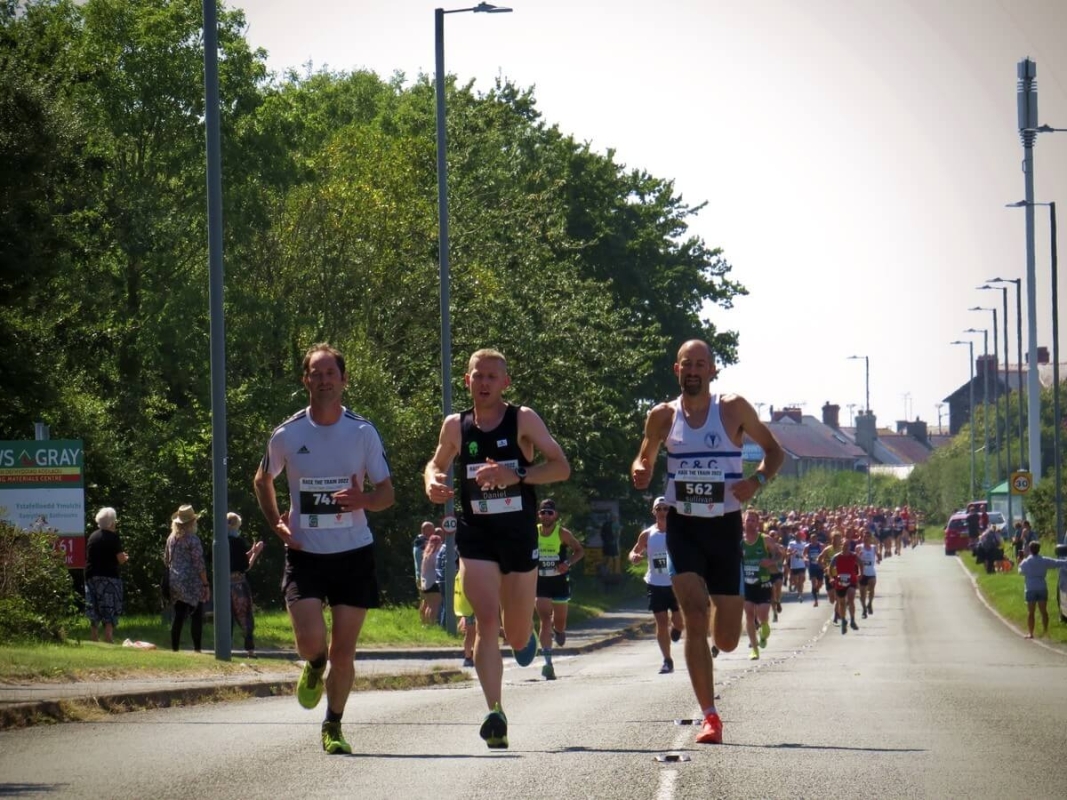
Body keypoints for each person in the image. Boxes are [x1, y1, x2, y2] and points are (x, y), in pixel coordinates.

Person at [631, 339, 784, 745]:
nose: (694, 370)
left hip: (723, 526)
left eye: (701, 364)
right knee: (694, 617)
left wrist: (757, 480)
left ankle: (724, 607)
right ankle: (710, 716)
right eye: (687, 364)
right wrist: (641, 469)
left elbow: (774, 452)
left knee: (729, 639)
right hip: (683, 525)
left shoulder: (732, 408)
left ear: (713, 371)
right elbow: (642, 457)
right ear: (676, 370)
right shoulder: (662, 416)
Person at [424, 347, 570, 749]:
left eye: (492, 376)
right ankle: (496, 712)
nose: (484, 382)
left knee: (516, 630)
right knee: (486, 621)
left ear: (505, 382)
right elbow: (435, 464)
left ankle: (526, 642)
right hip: (477, 538)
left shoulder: (522, 419)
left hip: (519, 537)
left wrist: (516, 474)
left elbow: (561, 465)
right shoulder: (456, 426)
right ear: (467, 380)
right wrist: (432, 482)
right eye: (477, 375)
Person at [253, 343, 395, 755]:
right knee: (311, 643)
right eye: (316, 373)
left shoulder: (363, 432)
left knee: (344, 652)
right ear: (306, 381)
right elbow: (262, 480)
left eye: (331, 373)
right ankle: (314, 666)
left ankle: (333, 724)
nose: (324, 380)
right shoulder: (288, 433)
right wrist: (276, 521)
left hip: (354, 553)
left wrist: (363, 500)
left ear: (344, 380)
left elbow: (387, 493)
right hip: (305, 552)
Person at [629, 496, 685, 674]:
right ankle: (667, 660)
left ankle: (677, 629)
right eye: (659, 509)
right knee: (661, 622)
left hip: (675, 583)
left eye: (666, 509)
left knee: (679, 622)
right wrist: (634, 558)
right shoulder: (647, 534)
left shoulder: (679, 532)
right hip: (655, 583)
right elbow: (634, 551)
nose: (662, 512)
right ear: (654, 512)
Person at [533, 498, 584, 680]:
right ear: (538, 515)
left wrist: (567, 563)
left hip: (559, 582)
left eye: (549, 512)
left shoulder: (562, 533)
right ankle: (548, 664)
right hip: (540, 583)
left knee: (559, 623)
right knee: (545, 620)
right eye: (543, 512)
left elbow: (579, 550)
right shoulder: (533, 533)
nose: (546, 515)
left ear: (555, 515)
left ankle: (560, 631)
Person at [164, 504, 210, 653]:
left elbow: (166, 559)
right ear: (192, 522)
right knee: (197, 614)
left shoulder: (171, 539)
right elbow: (199, 563)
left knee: (178, 616)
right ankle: (197, 648)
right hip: (191, 581)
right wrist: (205, 583)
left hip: (174, 579)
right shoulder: (193, 539)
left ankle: (174, 648)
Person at [84, 507, 128, 644]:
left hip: (91, 575)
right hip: (108, 576)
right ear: (111, 523)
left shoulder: (93, 536)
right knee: (109, 605)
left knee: (94, 604)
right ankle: (108, 636)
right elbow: (120, 559)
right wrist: (126, 557)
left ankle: (94, 635)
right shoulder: (113, 537)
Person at [226, 512, 264, 658]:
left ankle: (225, 648)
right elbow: (245, 566)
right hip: (238, 584)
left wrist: (250, 552)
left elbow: (235, 560)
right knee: (246, 617)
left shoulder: (221, 541)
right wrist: (256, 553)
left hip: (223, 584)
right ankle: (250, 650)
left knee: (226, 618)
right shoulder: (238, 542)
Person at [740, 509, 777, 661]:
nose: (750, 523)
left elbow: (779, 554)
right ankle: (754, 648)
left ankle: (764, 630)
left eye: (753, 520)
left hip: (763, 582)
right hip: (747, 584)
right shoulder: (739, 542)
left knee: (763, 617)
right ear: (743, 522)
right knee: (749, 615)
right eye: (748, 520)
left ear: (758, 523)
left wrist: (771, 561)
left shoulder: (765, 539)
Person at [1017, 541, 1067, 638]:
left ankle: (1031, 633)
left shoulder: (1026, 562)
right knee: (1043, 611)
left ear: (1030, 550)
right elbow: (1058, 563)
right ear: (1039, 549)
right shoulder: (1044, 560)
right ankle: (1045, 631)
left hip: (1030, 588)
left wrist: (1019, 563)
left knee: (1031, 612)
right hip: (1041, 587)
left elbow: (1020, 572)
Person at [829, 536, 861, 634]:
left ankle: (852, 620)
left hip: (851, 580)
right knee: (842, 603)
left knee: (851, 599)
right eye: (844, 545)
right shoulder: (837, 557)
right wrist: (831, 577)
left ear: (850, 547)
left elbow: (861, 564)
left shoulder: (854, 556)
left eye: (848, 546)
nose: (846, 547)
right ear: (842, 546)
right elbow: (830, 568)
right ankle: (843, 620)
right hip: (840, 581)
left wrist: (860, 573)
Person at [419, 529, 445, 626]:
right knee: (434, 605)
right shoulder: (435, 555)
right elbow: (437, 568)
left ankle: (425, 623)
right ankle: (431, 624)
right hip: (434, 582)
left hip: (426, 583)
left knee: (428, 604)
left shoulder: (426, 555)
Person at [857, 530, 880, 618]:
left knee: (872, 589)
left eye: (868, 537)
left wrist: (879, 557)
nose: (866, 538)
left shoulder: (874, 547)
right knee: (862, 594)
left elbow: (878, 555)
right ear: (862, 538)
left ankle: (870, 603)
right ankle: (864, 609)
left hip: (871, 572)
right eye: (864, 537)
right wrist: (859, 555)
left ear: (870, 538)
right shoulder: (859, 547)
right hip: (862, 573)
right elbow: (855, 560)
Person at [413, 521, 433, 620]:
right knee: (427, 600)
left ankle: (424, 622)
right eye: (430, 529)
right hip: (423, 577)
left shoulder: (419, 541)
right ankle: (425, 622)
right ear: (423, 530)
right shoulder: (421, 543)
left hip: (421, 576)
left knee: (425, 600)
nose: (432, 531)